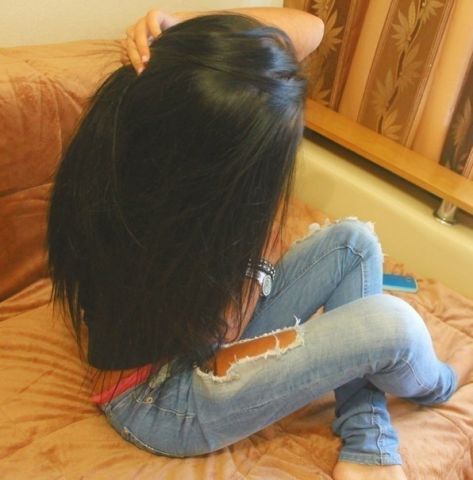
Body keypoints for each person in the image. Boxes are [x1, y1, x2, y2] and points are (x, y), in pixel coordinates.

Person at [47, 7, 461, 480]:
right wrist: (263, 245)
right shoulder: (158, 234)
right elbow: (226, 332)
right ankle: (444, 387)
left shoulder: (151, 149)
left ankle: (367, 432)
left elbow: (312, 30)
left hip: (192, 342)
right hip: (159, 401)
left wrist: (186, 30)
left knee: (354, 242)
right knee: (394, 329)